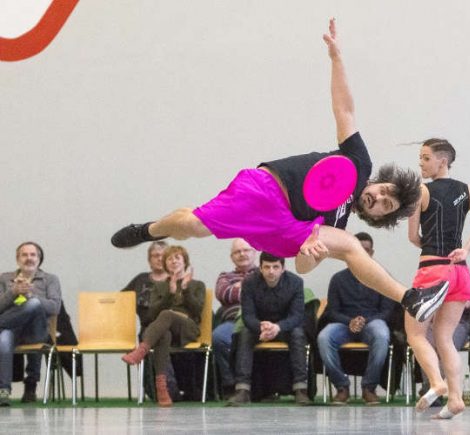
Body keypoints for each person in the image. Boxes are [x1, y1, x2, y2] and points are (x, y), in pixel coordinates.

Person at [110, 19, 448, 323]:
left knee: (347, 245)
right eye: (385, 191)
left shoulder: (337, 225)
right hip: (264, 190)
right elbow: (344, 109)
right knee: (191, 226)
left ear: (376, 217)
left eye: (385, 206)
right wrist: (336, 59)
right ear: (379, 182)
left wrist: (310, 254)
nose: (378, 198)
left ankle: (411, 299)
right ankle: (150, 229)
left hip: (291, 227)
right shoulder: (358, 164)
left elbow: (301, 266)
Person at [406, 138, 470, 419]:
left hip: (432, 269)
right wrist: (465, 249)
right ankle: (455, 399)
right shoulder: (468, 190)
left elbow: (413, 237)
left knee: (416, 334)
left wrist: (432, 248)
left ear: (442, 161)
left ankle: (436, 382)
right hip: (461, 272)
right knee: (445, 337)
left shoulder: (420, 191)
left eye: (426, 157)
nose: (421, 163)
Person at [121, 245, 205, 407]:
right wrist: (170, 293)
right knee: (163, 334)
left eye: (177, 258)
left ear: (184, 261)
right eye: (170, 259)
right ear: (166, 264)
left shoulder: (197, 284)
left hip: (187, 328)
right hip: (167, 329)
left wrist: (185, 290)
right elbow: (151, 315)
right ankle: (162, 389)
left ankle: (141, 350)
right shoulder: (160, 286)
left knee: (166, 314)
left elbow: (197, 310)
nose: (173, 261)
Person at [317, 232, 395, 405]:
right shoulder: (338, 279)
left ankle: (369, 387)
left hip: (372, 323)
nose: (363, 253)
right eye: (358, 249)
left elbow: (387, 311)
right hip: (344, 324)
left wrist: (364, 322)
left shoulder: (382, 276)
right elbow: (332, 312)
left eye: (366, 250)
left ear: (372, 253)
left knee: (382, 334)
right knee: (324, 337)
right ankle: (342, 387)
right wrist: (350, 322)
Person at [227, 252, 310, 406]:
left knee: (298, 334)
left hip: (285, 327)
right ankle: (242, 390)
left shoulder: (296, 282)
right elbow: (248, 315)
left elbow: (297, 316)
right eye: (267, 267)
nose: (271, 271)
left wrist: (278, 327)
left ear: (283, 268)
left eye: (275, 267)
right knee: (244, 334)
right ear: (260, 268)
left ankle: (301, 389)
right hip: (260, 327)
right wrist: (261, 327)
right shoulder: (249, 283)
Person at [0, 242, 61, 405]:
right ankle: (3, 391)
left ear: (39, 259)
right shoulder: (4, 278)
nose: (29, 258)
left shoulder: (50, 280)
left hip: (37, 330)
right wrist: (13, 292)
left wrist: (31, 295)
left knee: (33, 304)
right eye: (24, 255)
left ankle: (31, 385)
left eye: (33, 255)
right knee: (3, 341)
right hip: (11, 328)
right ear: (17, 259)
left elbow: (55, 307)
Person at [213, 239, 258, 399]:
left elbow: (263, 297)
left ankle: (260, 388)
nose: (242, 254)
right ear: (232, 257)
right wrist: (250, 290)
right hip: (232, 322)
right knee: (218, 337)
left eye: (246, 250)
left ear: (254, 252)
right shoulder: (225, 276)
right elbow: (223, 293)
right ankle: (230, 385)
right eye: (237, 252)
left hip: (259, 322)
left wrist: (239, 288)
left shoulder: (266, 271)